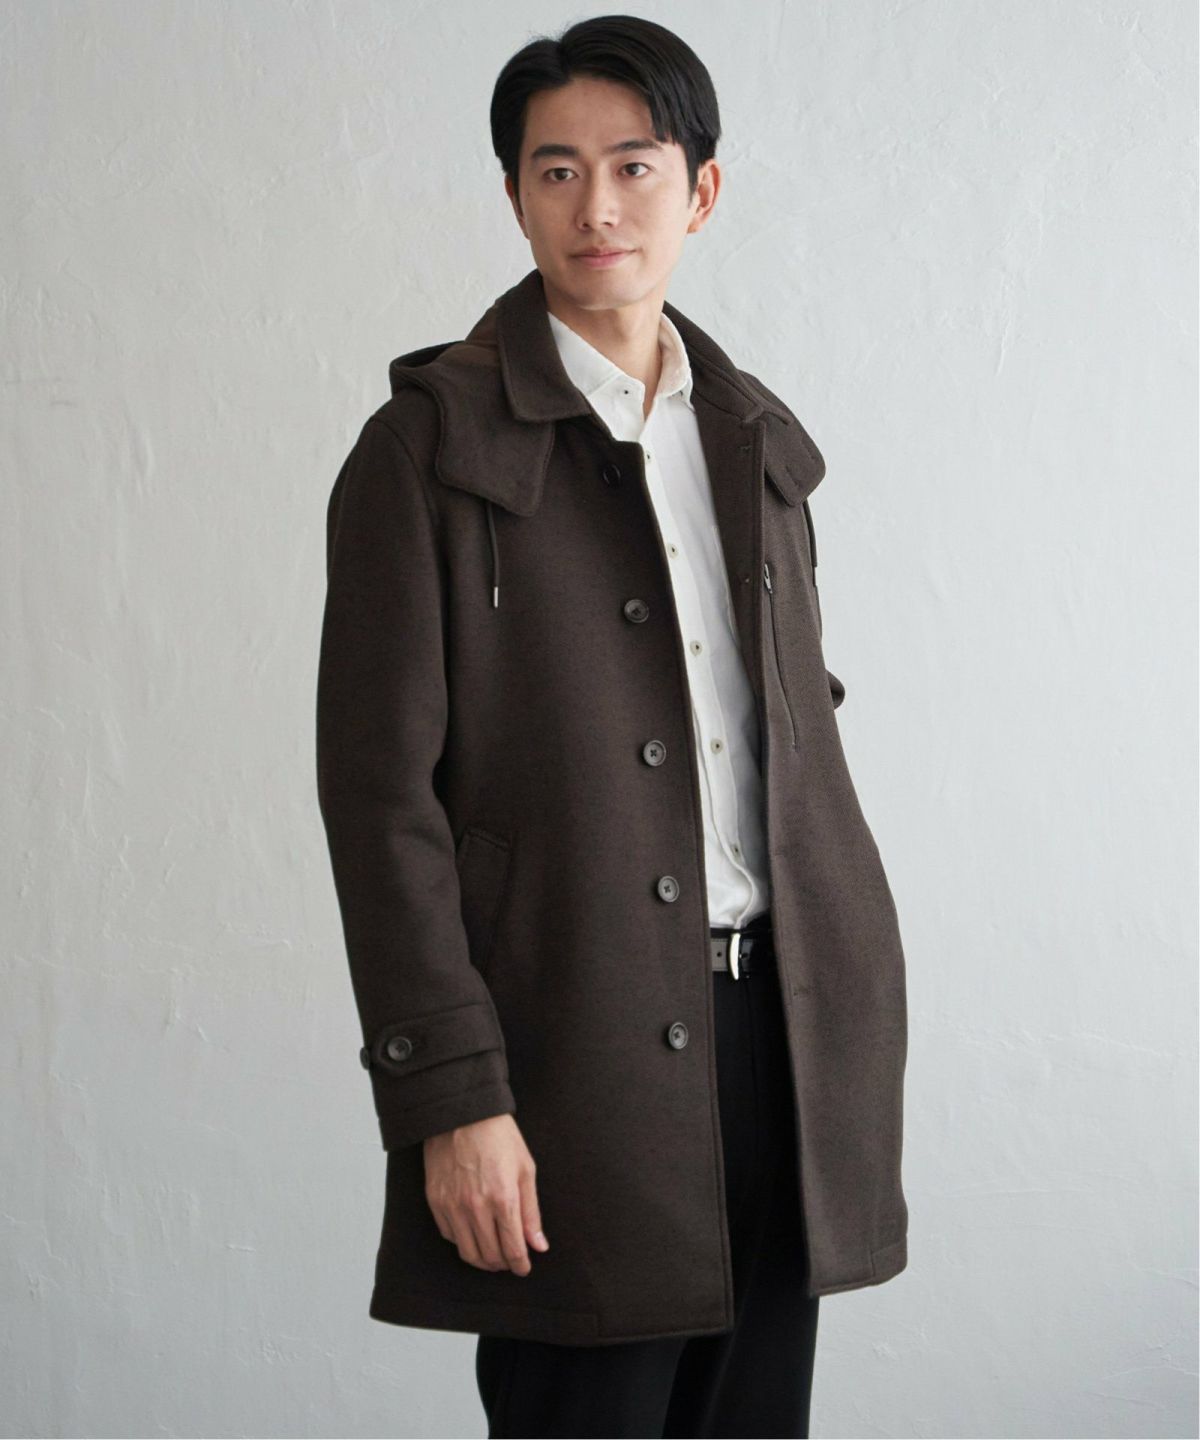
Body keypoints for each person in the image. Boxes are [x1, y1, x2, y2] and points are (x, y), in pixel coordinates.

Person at [316, 15, 909, 1438]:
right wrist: (452, 1097)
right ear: (514, 196)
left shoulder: (754, 439)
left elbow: (789, 730)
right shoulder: (425, 451)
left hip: (788, 1036)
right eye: (557, 170)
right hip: (569, 1055)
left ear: (700, 192)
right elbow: (380, 802)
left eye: (635, 167)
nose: (597, 207)